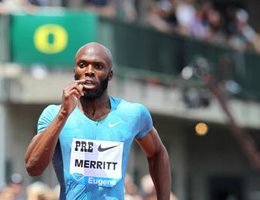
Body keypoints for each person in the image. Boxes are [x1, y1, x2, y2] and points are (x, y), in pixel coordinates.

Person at [25, 42, 171, 199]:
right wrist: (63, 115)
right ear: (75, 71)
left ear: (110, 74)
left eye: (98, 66)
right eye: (82, 65)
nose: (89, 72)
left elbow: (157, 153)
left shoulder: (133, 114)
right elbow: (33, 168)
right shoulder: (54, 114)